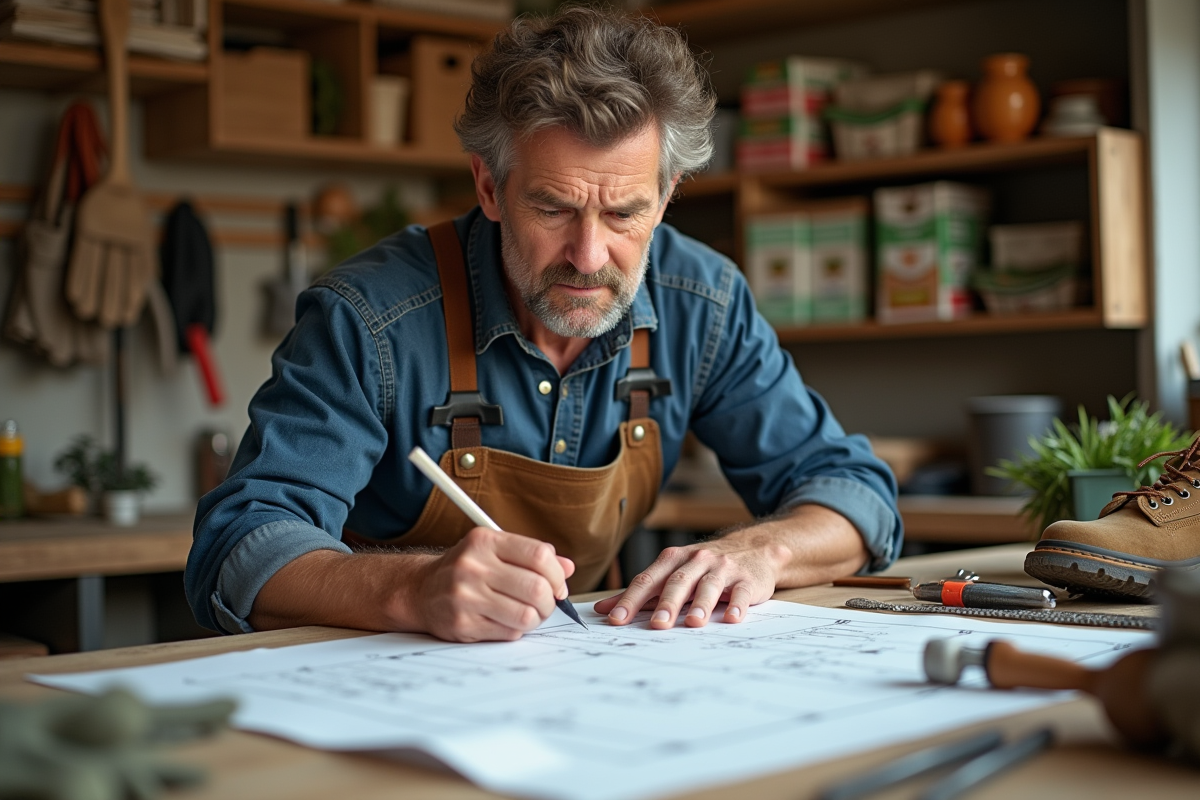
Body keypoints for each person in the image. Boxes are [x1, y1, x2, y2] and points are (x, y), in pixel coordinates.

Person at [185, 6, 902, 644]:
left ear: (666, 196)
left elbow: (855, 495)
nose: (588, 256)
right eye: (553, 208)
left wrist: (761, 551)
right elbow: (237, 547)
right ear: (490, 187)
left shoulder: (703, 302)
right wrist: (411, 590)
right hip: (383, 675)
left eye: (624, 214)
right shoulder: (370, 317)